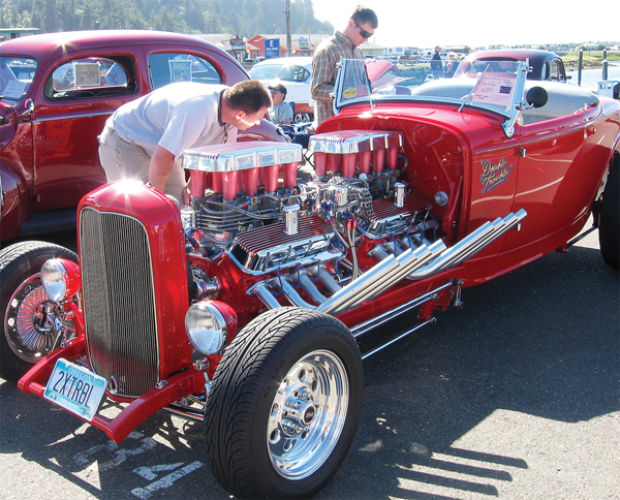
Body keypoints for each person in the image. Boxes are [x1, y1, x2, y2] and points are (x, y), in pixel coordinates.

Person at [98, 80, 271, 202]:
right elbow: (163, 158)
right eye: (257, 119)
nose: (257, 123)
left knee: (180, 206)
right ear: (240, 114)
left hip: (163, 147)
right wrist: (157, 205)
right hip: (127, 140)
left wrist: (191, 187)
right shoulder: (197, 110)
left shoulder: (232, 111)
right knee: (139, 211)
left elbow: (214, 159)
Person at [311, 6, 378, 126]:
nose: (366, 39)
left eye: (369, 36)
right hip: (331, 129)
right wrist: (350, 93)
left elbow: (361, 88)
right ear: (351, 23)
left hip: (355, 124)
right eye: (364, 34)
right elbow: (317, 90)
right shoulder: (327, 50)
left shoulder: (359, 53)